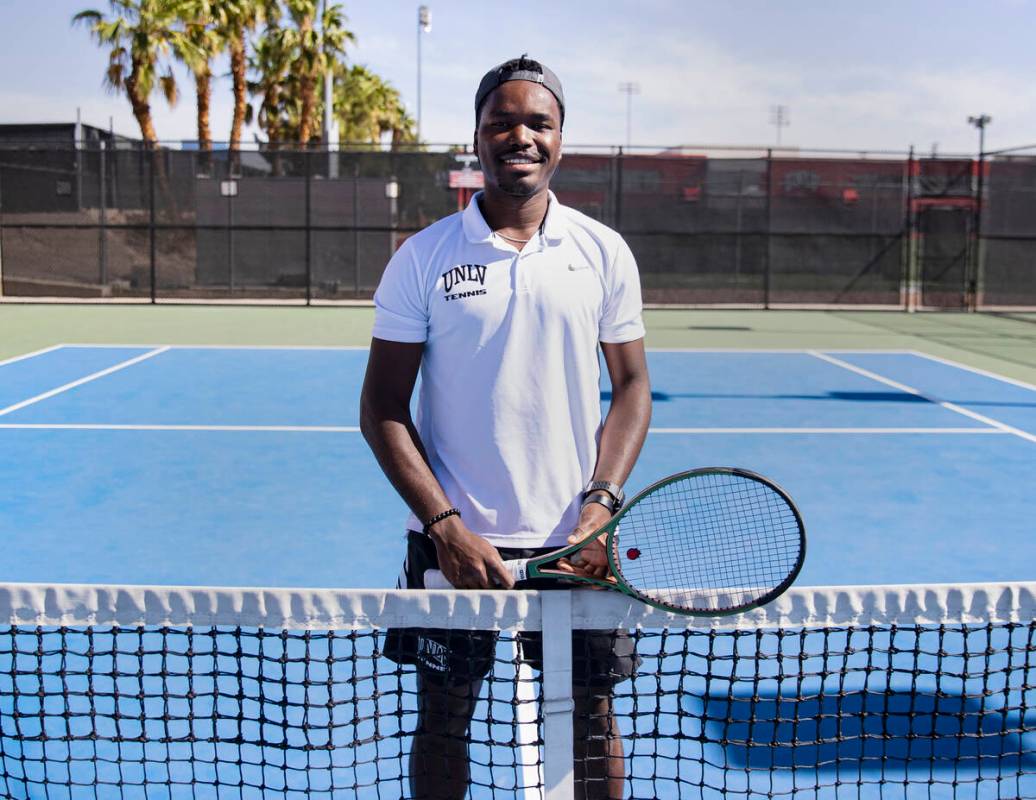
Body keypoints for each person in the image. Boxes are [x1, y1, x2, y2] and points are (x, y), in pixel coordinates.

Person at [359, 55, 651, 800]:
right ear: (478, 137)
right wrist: (447, 526)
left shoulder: (603, 251)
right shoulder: (422, 258)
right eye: (502, 122)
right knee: (443, 721)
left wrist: (601, 509)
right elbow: (383, 407)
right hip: (453, 545)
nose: (520, 135)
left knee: (592, 719)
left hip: (572, 547)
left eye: (538, 122)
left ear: (561, 137)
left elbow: (631, 387)